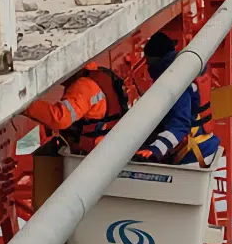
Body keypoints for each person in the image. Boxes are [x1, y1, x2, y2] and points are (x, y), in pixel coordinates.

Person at [131, 27, 221, 167]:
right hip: (205, 145)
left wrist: (155, 150)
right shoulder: (188, 69)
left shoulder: (176, 82)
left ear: (156, 60)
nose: (147, 67)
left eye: (148, 62)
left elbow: (180, 125)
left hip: (193, 154)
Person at [22, 60, 129, 151]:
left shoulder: (85, 87)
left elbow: (61, 119)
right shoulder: (93, 81)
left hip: (90, 151)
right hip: (94, 149)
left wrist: (25, 104)